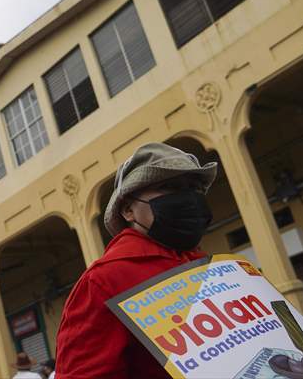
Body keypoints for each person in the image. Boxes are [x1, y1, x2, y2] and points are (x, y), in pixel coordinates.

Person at [55, 142, 217, 378]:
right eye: (169, 187)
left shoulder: (210, 264)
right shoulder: (104, 281)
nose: (188, 198)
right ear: (128, 210)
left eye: (194, 188)